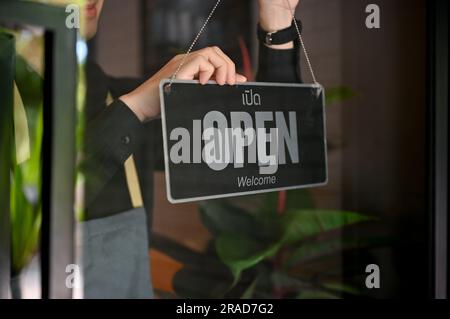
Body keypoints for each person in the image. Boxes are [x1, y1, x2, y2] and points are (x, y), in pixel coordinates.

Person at [79, 0, 302, 298]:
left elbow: (269, 144)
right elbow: (34, 217)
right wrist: (135, 107)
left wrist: (278, 18)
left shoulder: (112, 95)